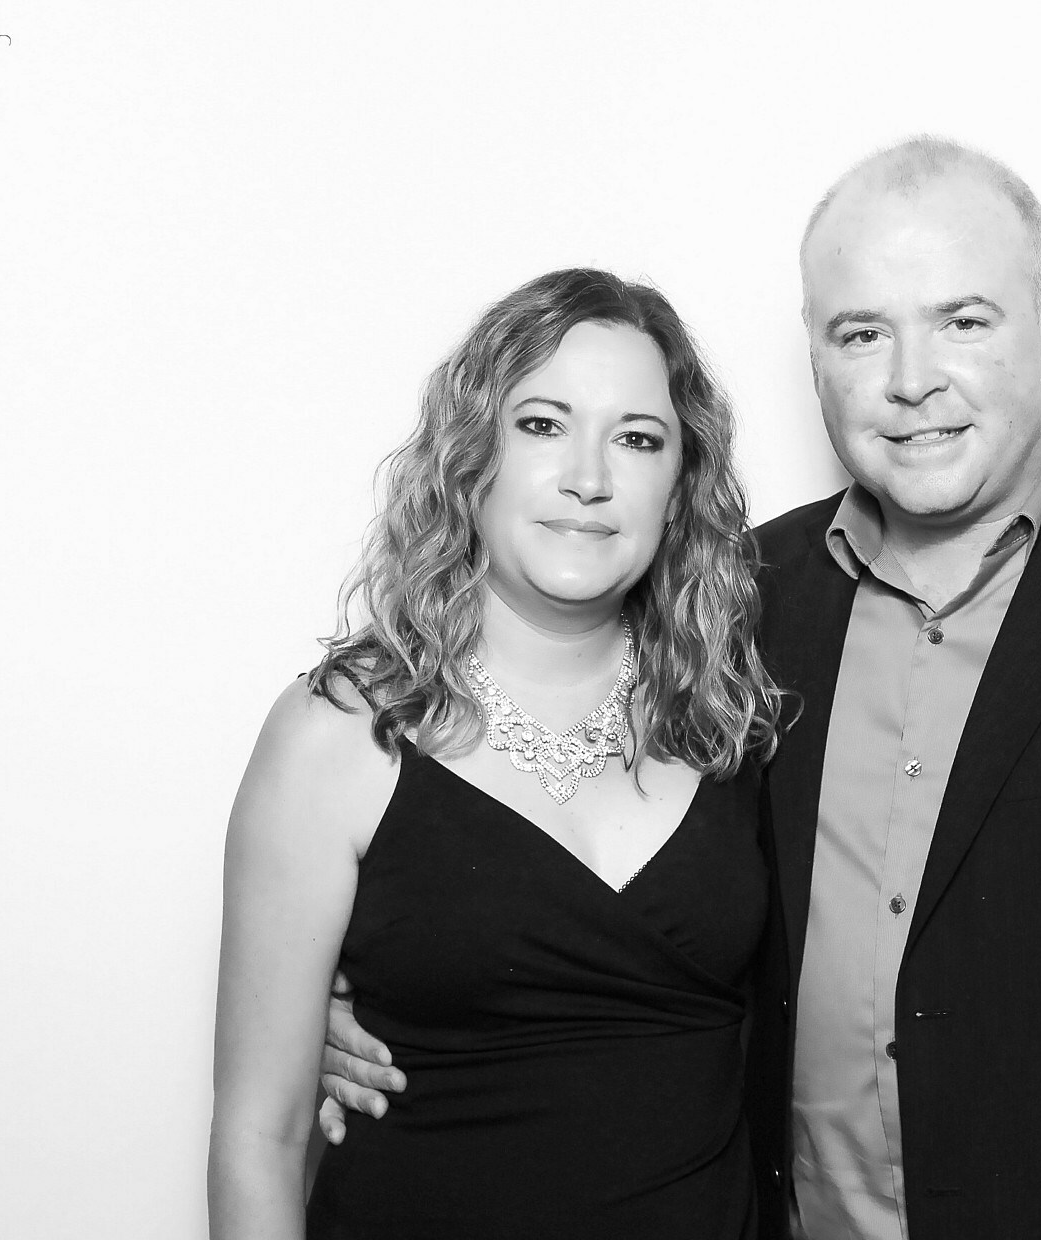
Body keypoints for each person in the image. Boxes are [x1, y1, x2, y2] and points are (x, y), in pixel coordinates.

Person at [322, 138, 1041, 1239]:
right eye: (860, 334)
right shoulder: (739, 600)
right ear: (814, 355)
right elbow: (625, 904)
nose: (909, 380)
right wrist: (372, 998)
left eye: (963, 321)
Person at [208, 268, 784, 1239]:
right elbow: (257, 1139)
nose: (589, 477)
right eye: (543, 425)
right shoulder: (336, 736)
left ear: (680, 484)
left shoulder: (734, 715)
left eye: (637, 439)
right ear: (472, 453)